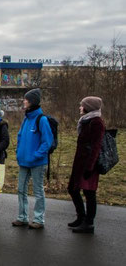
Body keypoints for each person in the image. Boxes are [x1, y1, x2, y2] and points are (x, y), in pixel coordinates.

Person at [12, 88, 54, 229]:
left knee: (38, 191)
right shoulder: (26, 119)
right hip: (23, 161)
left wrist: (36, 155)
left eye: (26, 99)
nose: (24, 101)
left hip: (37, 162)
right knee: (21, 189)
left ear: (32, 102)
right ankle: (22, 217)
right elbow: (19, 137)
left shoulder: (41, 120)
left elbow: (47, 142)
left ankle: (38, 219)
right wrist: (19, 153)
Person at [68, 96, 105, 234]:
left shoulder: (97, 122)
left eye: (82, 105)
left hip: (89, 163)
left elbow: (96, 146)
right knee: (72, 188)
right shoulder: (85, 121)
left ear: (88, 107)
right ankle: (81, 217)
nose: (80, 107)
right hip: (79, 162)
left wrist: (90, 167)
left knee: (89, 193)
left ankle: (89, 223)